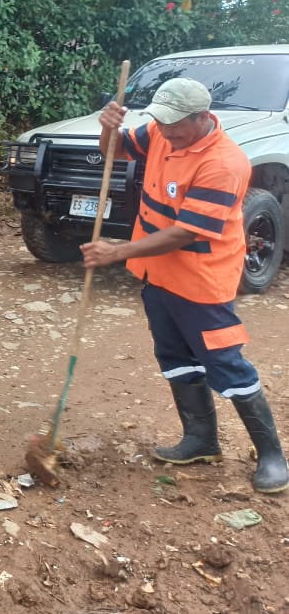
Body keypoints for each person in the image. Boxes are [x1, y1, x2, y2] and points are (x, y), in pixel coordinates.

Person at [82, 78, 288, 493]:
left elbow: (187, 232)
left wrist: (119, 251)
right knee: (174, 355)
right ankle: (201, 439)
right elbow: (113, 149)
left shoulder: (224, 162)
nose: (168, 132)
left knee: (227, 363)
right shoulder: (161, 129)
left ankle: (272, 455)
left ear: (202, 117)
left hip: (202, 282)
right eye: (163, 122)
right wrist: (108, 126)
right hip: (157, 275)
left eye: (177, 125)